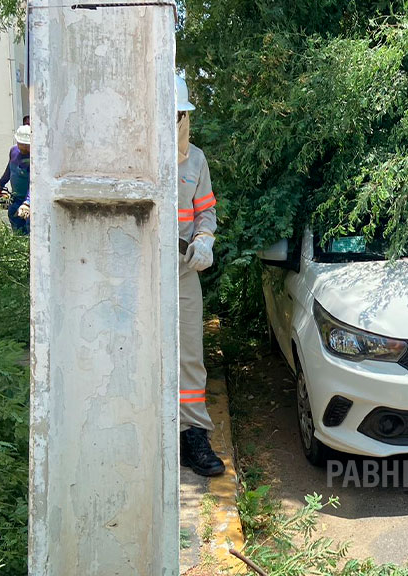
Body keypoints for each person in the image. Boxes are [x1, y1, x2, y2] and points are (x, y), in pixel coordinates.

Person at [176, 74, 225, 477]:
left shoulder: (195, 159)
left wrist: (205, 238)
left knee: (189, 355)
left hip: (180, 271)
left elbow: (205, 210)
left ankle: (193, 434)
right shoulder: (136, 154)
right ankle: (156, 431)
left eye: (178, 114)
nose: (173, 121)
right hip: (138, 275)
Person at [0, 125, 31, 234]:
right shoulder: (13, 151)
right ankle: (17, 247)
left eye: (26, 145)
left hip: (29, 200)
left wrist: (28, 203)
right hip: (15, 198)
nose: (23, 148)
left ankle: (28, 249)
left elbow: (34, 184)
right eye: (21, 144)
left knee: (29, 227)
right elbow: (9, 169)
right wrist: (0, 183)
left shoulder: (34, 158)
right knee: (14, 219)